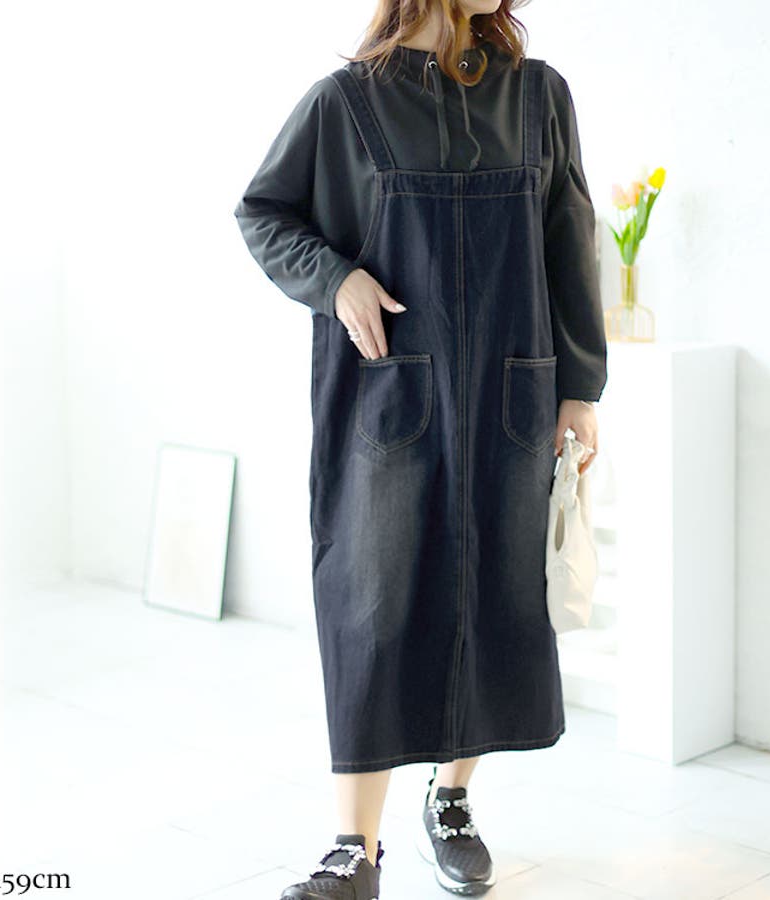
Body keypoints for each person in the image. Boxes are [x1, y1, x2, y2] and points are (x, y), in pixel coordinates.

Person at [233, 0, 607, 896]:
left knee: (494, 594)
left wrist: (582, 386)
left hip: (512, 394)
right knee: (371, 601)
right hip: (389, 398)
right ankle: (353, 852)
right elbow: (263, 212)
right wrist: (336, 279)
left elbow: (571, 241)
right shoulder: (344, 103)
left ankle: (451, 797)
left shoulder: (539, 97)